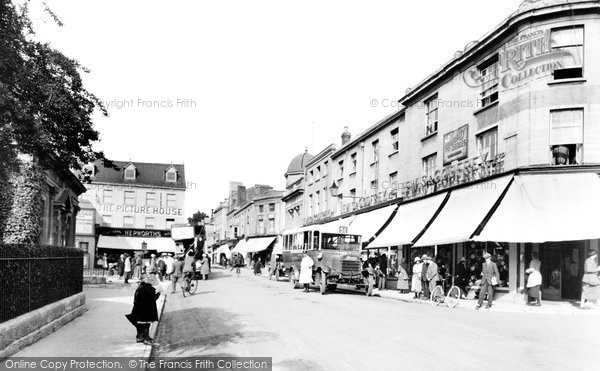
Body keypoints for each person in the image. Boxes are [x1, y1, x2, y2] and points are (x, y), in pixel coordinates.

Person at [128, 274, 160, 345]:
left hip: (138, 308)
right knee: (146, 324)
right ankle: (146, 338)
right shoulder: (149, 289)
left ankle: (139, 337)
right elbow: (153, 298)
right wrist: (158, 293)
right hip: (146, 310)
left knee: (139, 324)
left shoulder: (140, 287)